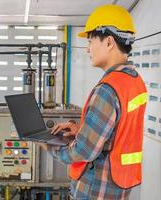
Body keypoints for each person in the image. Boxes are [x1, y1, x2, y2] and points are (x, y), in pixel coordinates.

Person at [37, 4, 148, 200]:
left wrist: (49, 146)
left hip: (96, 190)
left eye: (91, 41)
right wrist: (80, 129)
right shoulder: (135, 81)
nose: (88, 49)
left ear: (109, 41)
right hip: (117, 187)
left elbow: (83, 151)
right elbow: (118, 131)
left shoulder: (108, 89)